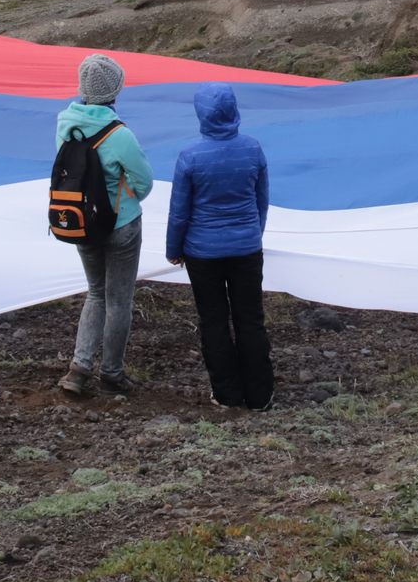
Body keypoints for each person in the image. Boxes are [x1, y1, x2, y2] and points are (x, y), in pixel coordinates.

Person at [164, 84, 274, 410]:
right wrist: (254, 234)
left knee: (213, 320)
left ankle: (226, 394)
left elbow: (179, 211)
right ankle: (260, 395)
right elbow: (261, 200)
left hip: (202, 252)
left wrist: (174, 248)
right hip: (246, 249)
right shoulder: (253, 150)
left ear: (201, 114)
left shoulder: (191, 157)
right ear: (234, 110)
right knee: (250, 319)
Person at [55, 55, 154, 397]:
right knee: (118, 300)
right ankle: (112, 373)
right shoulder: (119, 134)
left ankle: (79, 369)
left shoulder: (64, 124)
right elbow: (144, 182)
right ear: (116, 89)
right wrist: (127, 198)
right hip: (121, 224)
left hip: (81, 223)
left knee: (95, 294)